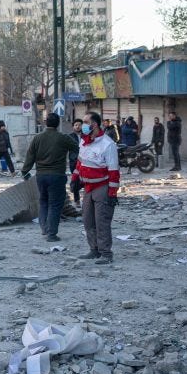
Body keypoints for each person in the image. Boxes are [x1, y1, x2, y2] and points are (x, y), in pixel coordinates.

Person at [21, 113, 79, 242]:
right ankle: (51, 234)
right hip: (57, 176)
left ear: (46, 123)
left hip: (41, 176)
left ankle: (44, 228)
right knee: (55, 204)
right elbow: (77, 148)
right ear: (58, 123)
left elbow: (30, 156)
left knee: (44, 202)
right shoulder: (63, 138)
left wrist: (25, 172)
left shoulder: (37, 138)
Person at [72, 111, 120, 264]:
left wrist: (112, 193)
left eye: (86, 122)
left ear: (94, 125)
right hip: (88, 188)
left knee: (101, 222)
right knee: (88, 221)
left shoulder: (108, 145)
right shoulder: (84, 141)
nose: (82, 125)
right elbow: (80, 162)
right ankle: (94, 250)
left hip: (102, 187)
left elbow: (113, 171)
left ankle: (106, 253)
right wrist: (74, 178)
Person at [68, 119, 83, 208]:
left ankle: (87, 199)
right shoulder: (70, 136)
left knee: (86, 179)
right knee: (76, 179)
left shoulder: (86, 136)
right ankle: (76, 200)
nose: (77, 126)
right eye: (76, 125)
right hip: (74, 162)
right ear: (73, 127)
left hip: (85, 161)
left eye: (79, 125)